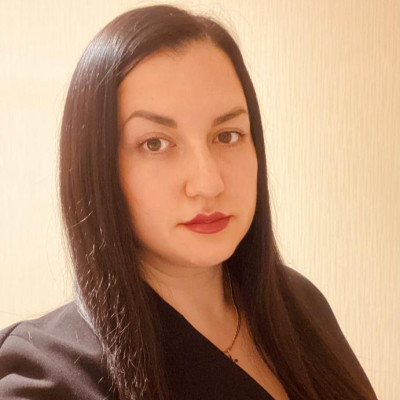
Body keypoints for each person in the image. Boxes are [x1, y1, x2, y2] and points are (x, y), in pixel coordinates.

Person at [0, 4, 377, 400]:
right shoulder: (45, 376)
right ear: (97, 168)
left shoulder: (299, 304)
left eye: (228, 135)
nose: (209, 183)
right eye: (155, 143)